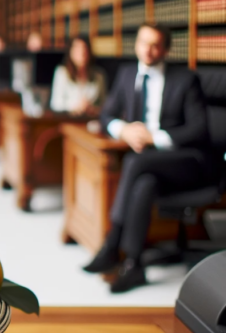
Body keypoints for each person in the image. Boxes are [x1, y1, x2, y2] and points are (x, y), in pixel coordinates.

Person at [83, 23, 210, 293]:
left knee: (135, 163)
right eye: (143, 43)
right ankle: (133, 264)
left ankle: (112, 243)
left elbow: (199, 130)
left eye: (155, 45)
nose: (148, 50)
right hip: (150, 165)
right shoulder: (128, 74)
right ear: (137, 44)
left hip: (185, 160)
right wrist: (125, 130)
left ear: (165, 49)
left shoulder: (186, 79)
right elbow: (106, 115)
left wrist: (153, 137)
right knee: (144, 184)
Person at [50, 35, 106, 114]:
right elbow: (55, 104)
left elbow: (106, 104)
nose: (82, 53)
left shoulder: (99, 75)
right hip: (69, 119)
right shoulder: (62, 72)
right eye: (77, 49)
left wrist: (93, 109)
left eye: (84, 49)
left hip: (91, 119)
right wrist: (76, 106)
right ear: (70, 52)